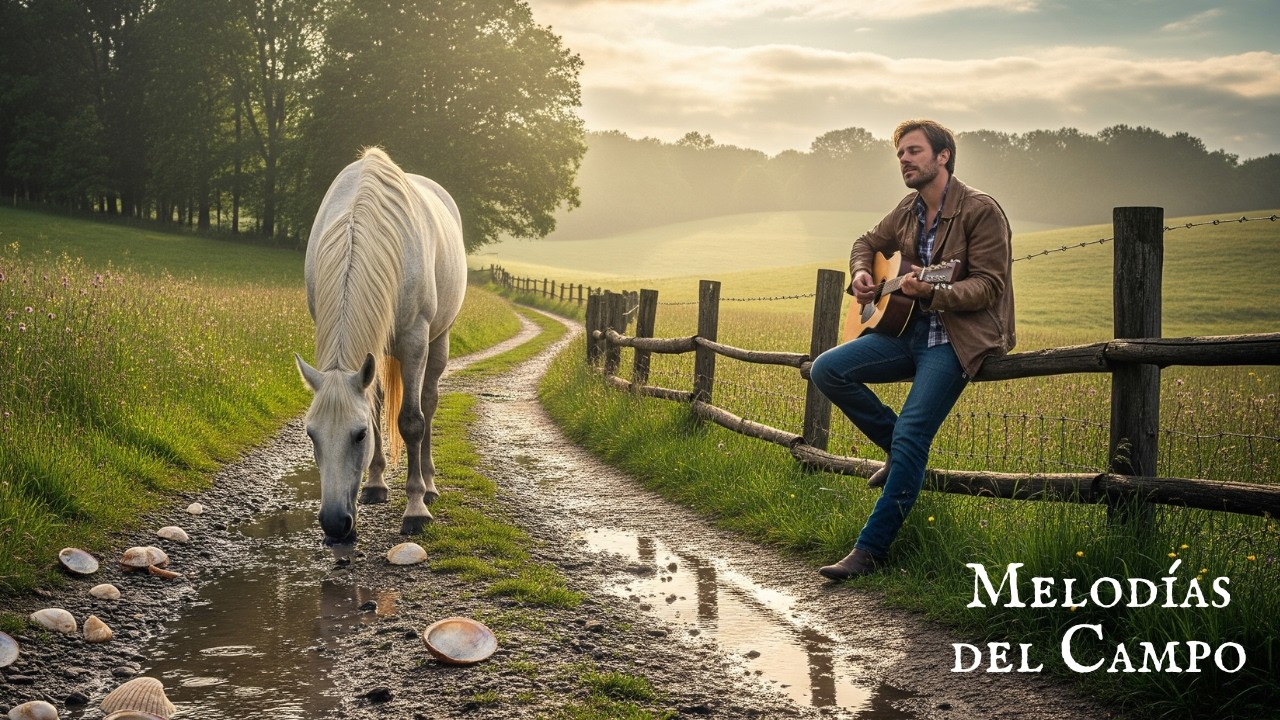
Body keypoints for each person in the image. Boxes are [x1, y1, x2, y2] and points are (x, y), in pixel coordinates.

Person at [809, 119, 1015, 581]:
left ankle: (870, 550)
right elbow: (866, 242)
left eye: (914, 151)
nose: (904, 159)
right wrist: (864, 272)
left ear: (943, 157)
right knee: (827, 370)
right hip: (903, 333)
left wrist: (931, 292)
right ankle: (902, 455)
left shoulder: (980, 211)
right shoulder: (907, 209)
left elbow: (988, 286)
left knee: (913, 434)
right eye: (900, 153)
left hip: (954, 341)